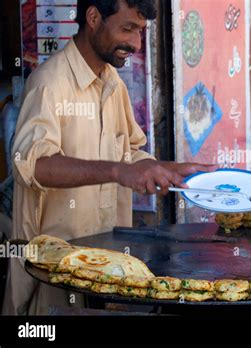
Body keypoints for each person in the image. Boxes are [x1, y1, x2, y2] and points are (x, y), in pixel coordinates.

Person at [3, 0, 215, 315]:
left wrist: (160, 169)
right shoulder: (50, 84)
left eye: (141, 32)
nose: (135, 43)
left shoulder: (112, 84)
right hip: (55, 273)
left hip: (105, 269)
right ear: (93, 17)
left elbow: (128, 152)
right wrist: (118, 171)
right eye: (127, 28)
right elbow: (33, 165)